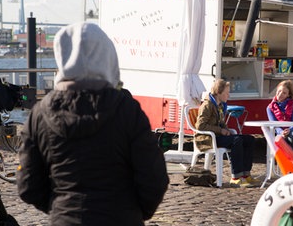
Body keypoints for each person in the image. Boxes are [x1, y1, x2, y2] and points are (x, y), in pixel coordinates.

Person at [17, 22, 169, 225]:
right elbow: (154, 177)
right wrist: (135, 212)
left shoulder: (40, 114)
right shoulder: (127, 109)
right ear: (108, 58)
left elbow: (28, 185)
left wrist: (61, 208)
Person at [195, 79, 256, 187]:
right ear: (218, 93)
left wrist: (226, 130)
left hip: (218, 135)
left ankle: (246, 174)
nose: (228, 95)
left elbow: (221, 122)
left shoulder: (220, 105)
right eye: (226, 93)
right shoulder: (207, 105)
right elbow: (200, 125)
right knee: (236, 141)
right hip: (208, 138)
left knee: (249, 139)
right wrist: (220, 130)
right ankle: (236, 176)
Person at [266, 80, 293, 163]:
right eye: (279, 91)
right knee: (282, 139)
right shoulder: (270, 108)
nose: (280, 94)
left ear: (288, 95)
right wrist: (281, 132)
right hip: (281, 133)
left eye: (284, 93)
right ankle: (290, 166)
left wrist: (289, 130)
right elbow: (274, 125)